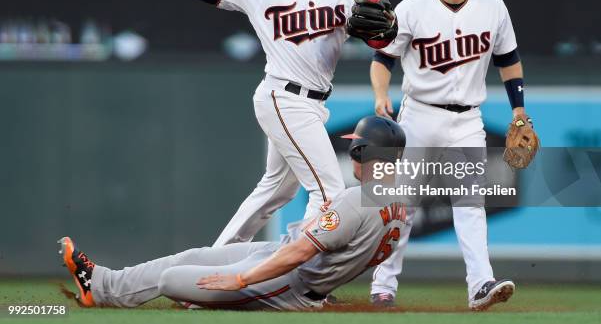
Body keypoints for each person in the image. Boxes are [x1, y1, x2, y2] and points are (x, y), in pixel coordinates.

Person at [58, 117, 408, 311]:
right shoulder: (401, 206)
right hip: (283, 258)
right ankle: (101, 285)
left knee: (171, 281)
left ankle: (216, 299)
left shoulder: (354, 199)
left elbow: (303, 252)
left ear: (361, 151)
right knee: (192, 257)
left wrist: (241, 281)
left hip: (289, 284)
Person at [192, 0, 367, 247]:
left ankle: (209, 268)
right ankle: (295, 276)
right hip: (283, 97)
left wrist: (380, 33)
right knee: (328, 192)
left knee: (275, 190)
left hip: (314, 102)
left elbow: (380, 35)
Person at [368, 0, 522, 311]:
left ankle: (480, 285)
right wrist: (380, 94)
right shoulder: (412, 8)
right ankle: (383, 285)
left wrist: (519, 110)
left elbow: (509, 60)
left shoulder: (493, 6)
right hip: (420, 114)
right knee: (403, 205)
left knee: (471, 203)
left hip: (468, 118)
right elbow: (383, 58)